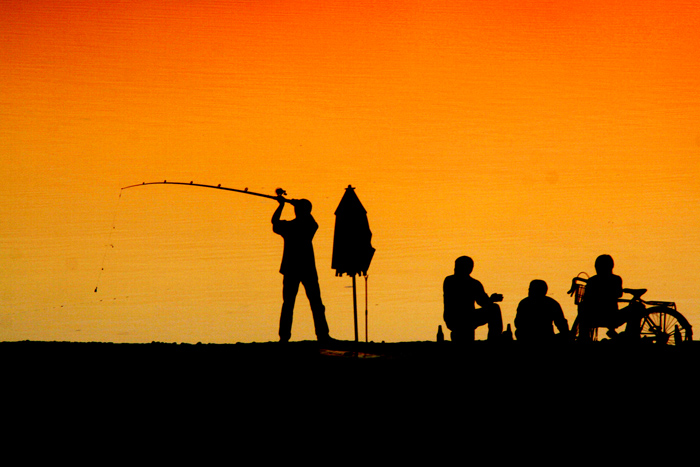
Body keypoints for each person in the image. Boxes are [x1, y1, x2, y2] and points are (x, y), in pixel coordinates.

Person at [272, 195, 332, 343]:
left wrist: (281, 205)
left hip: (293, 269)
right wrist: (295, 204)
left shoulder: (290, 227)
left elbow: (274, 223)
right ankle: (322, 335)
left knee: (289, 304)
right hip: (307, 269)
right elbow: (311, 220)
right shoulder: (309, 226)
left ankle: (284, 337)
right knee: (315, 302)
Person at [443, 256, 503, 342]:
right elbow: (483, 302)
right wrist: (492, 299)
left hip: (452, 319)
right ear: (470, 269)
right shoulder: (473, 283)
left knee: (466, 337)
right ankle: (494, 339)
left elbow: (482, 301)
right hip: (465, 318)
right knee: (494, 309)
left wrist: (490, 300)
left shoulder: (448, 281)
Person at [579, 254, 641, 339]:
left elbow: (587, 298)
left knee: (582, 307)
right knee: (638, 307)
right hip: (612, 317)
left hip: (595, 317)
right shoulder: (616, 279)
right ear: (611, 266)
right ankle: (631, 336)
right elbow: (619, 294)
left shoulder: (592, 281)